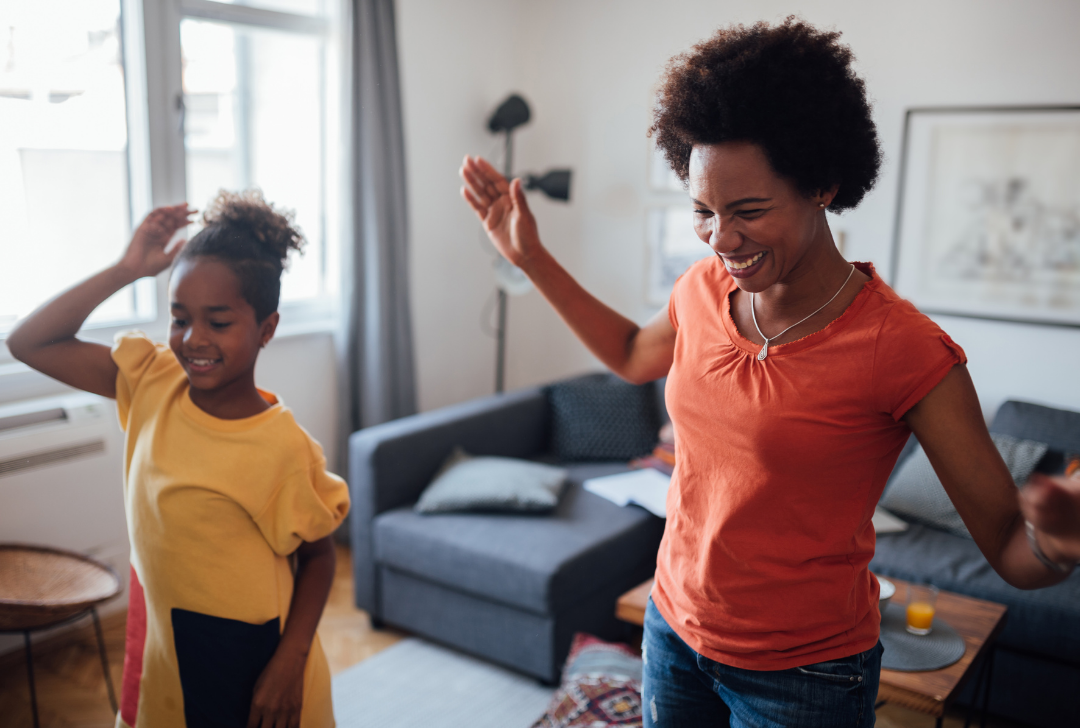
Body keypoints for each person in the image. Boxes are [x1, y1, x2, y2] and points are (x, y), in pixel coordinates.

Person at [459, 17, 1074, 728]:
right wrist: (529, 257)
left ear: (823, 185)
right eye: (703, 212)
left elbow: (1007, 548)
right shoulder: (699, 290)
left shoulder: (904, 348)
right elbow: (631, 353)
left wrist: (1057, 545)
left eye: (747, 211)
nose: (722, 240)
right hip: (672, 630)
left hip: (806, 674)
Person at [7, 191, 349, 728]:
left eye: (218, 321)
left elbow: (320, 558)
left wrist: (290, 662)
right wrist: (126, 269)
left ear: (266, 329)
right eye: (179, 318)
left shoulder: (281, 447)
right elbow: (29, 342)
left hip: (251, 662)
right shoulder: (152, 381)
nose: (193, 339)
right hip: (163, 648)